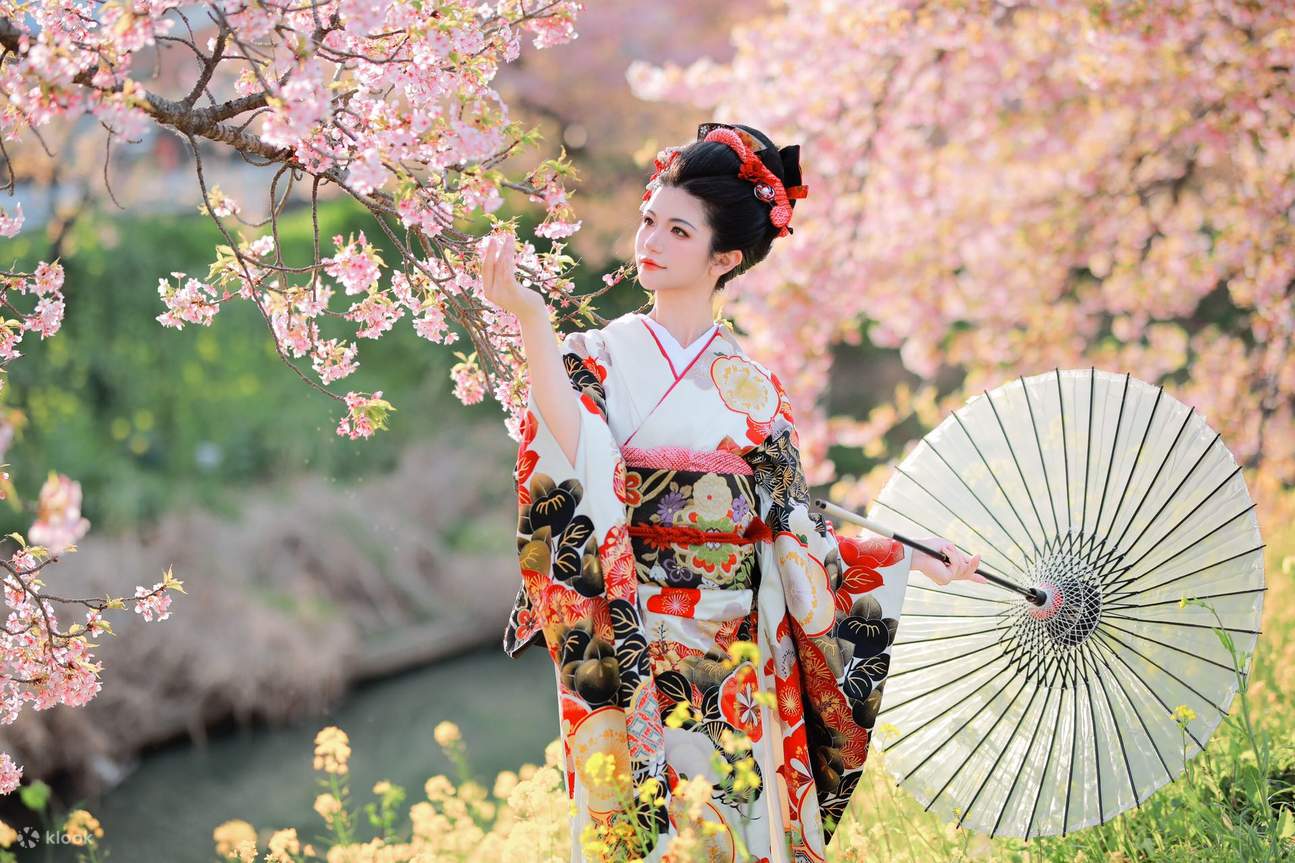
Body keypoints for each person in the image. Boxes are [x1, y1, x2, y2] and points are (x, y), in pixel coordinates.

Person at [483, 122, 985, 863]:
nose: (650, 238)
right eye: (649, 217)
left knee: (725, 832)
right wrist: (530, 323)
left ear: (724, 257)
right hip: (628, 634)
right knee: (637, 833)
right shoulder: (594, 356)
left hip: (727, 658)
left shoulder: (753, 392)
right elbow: (578, 455)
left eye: (677, 229)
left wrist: (902, 554)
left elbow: (796, 535)